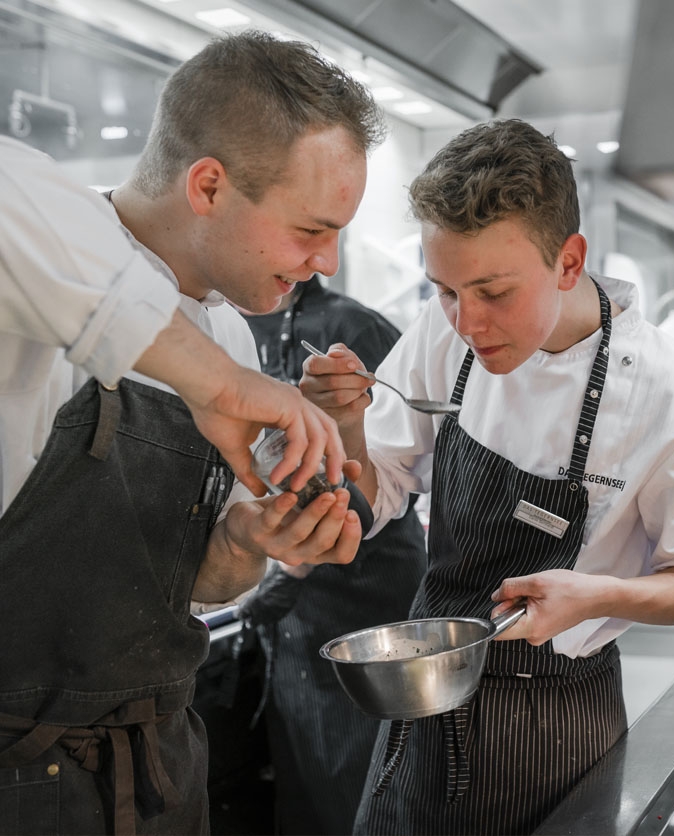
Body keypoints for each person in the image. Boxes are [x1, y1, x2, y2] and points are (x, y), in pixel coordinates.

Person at [0, 30, 385, 835]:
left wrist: (247, 543)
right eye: (310, 228)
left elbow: (191, 587)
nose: (325, 260)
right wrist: (217, 384)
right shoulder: (12, 285)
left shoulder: (227, 335)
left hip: (157, 776)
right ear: (209, 185)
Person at [299, 118, 674, 836]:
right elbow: (380, 486)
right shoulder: (441, 332)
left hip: (555, 724)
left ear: (569, 262)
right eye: (447, 291)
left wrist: (596, 596)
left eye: (493, 291)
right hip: (424, 705)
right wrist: (348, 424)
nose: (467, 322)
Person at [236, 277, 428, 835]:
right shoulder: (233, 324)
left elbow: (397, 468)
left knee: (368, 777)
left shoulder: (356, 327)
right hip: (293, 602)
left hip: (368, 588)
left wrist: (293, 563)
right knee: (308, 776)